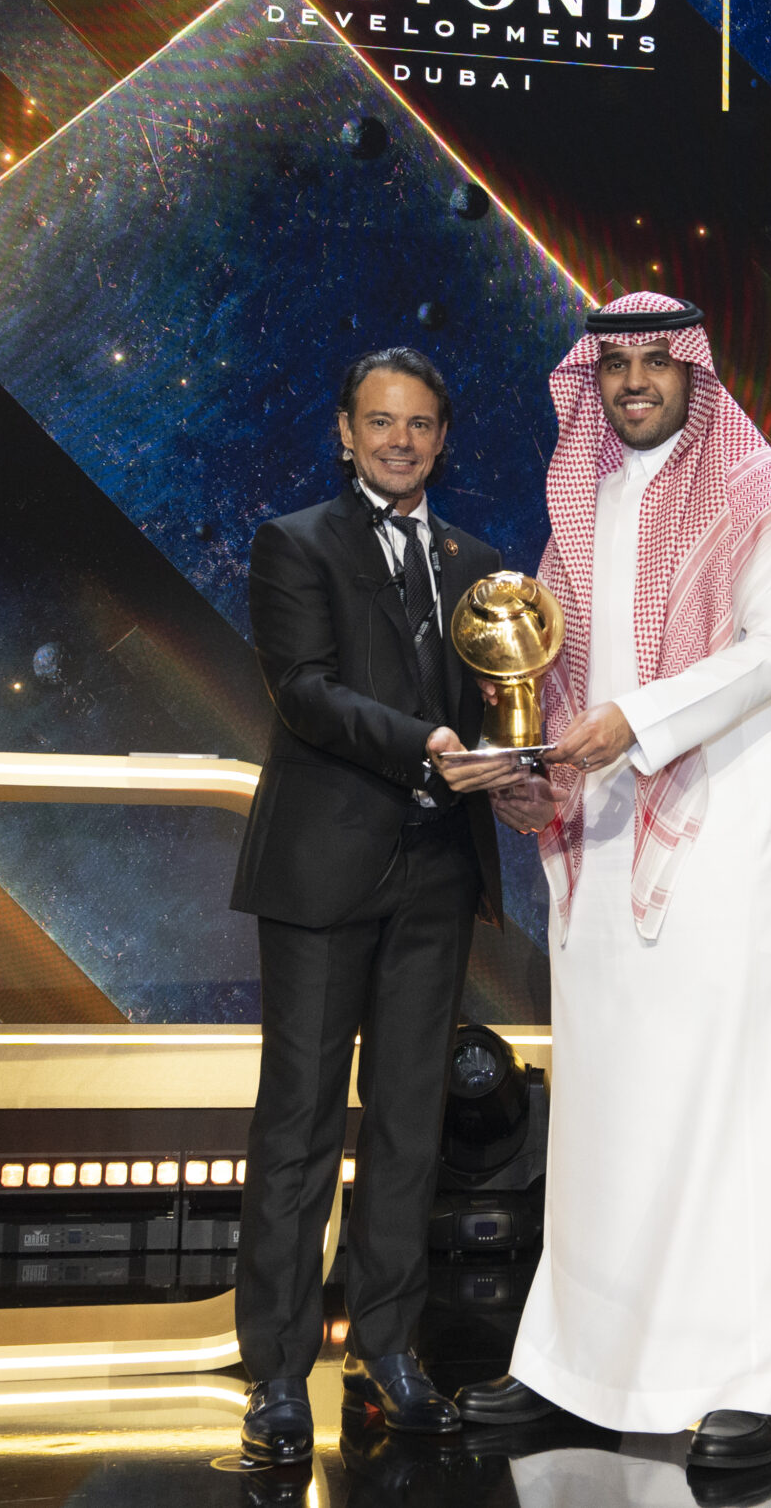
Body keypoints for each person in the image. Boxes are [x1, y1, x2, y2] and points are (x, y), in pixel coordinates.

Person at [465, 292, 771, 1471]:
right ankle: (578, 1367)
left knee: (734, 1097)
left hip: (721, 822)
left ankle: (754, 1379)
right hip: (604, 832)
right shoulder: (579, 506)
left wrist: (634, 718)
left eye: (653, 361)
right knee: (605, 1103)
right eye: (612, 363)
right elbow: (551, 678)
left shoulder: (754, 493)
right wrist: (532, 772)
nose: (631, 381)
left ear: (692, 373)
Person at [230, 346, 532, 1468]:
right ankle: (275, 1371)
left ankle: (390, 1347)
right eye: (379, 422)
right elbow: (304, 692)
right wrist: (430, 744)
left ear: (441, 438)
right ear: (345, 433)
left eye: (419, 424)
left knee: (410, 1120)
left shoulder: (480, 566)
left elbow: (493, 703)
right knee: (300, 1121)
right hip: (323, 873)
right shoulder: (295, 542)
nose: (399, 441)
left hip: (436, 874)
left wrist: (513, 756)